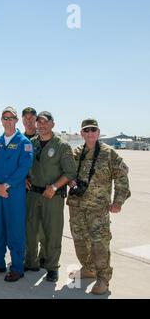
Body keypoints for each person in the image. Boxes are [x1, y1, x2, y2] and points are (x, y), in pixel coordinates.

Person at [67, 119, 130, 295]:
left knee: (100, 244)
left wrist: (118, 201)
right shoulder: (76, 153)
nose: (90, 133)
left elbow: (122, 177)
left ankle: (103, 279)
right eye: (86, 130)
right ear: (81, 133)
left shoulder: (109, 154)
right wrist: (69, 180)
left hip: (98, 208)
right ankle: (88, 268)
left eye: (93, 130)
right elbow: (66, 172)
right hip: (77, 205)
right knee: (79, 239)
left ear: (98, 132)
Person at [24, 111, 77, 282]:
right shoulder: (30, 143)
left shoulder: (62, 146)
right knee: (31, 230)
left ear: (53, 124)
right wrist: (25, 177)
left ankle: (52, 267)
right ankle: (31, 262)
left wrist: (54, 187)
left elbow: (70, 172)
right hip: (33, 194)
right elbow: (24, 163)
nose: (42, 125)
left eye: (45, 122)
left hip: (52, 196)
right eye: (39, 122)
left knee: (52, 232)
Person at [0, 107, 33, 282]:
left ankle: (17, 267)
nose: (8, 121)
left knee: (15, 230)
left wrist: (6, 185)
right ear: (1, 120)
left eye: (11, 118)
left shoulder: (24, 142)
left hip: (15, 193)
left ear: (16, 120)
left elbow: (24, 168)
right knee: (0, 228)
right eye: (5, 118)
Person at [22, 106, 46, 268]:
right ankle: (28, 255)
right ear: (22, 120)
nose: (29, 121)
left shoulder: (44, 138)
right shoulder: (20, 139)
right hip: (24, 189)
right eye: (26, 118)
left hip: (43, 188)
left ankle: (44, 257)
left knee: (43, 226)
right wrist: (22, 178)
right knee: (27, 224)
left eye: (32, 118)